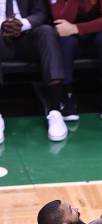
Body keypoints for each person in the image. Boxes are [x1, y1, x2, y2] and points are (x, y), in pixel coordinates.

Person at [0, 0, 67, 142]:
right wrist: (3, 25)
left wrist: (22, 24)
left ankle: (55, 112)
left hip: (26, 36)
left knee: (47, 32)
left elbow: (41, 13)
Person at [51, 0, 102, 121]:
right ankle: (67, 94)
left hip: (95, 35)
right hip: (70, 38)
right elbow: (60, 20)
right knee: (65, 41)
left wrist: (77, 28)